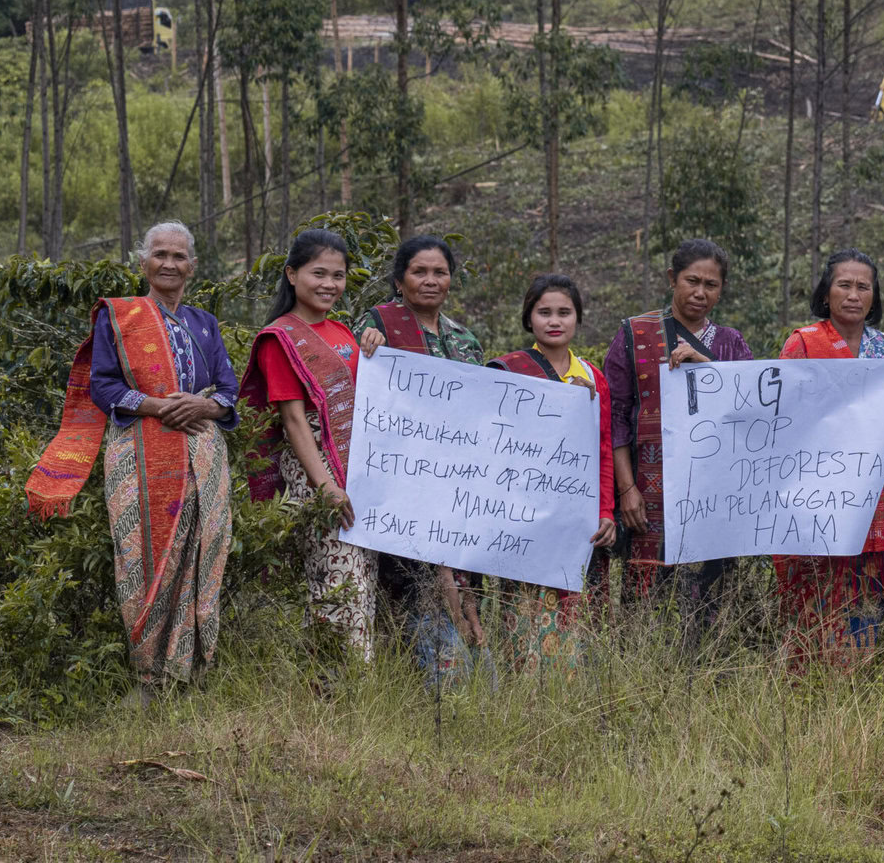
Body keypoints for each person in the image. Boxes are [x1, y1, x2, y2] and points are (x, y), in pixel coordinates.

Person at [26, 221, 240, 695]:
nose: (169, 263)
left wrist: (203, 405)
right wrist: (160, 406)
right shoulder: (119, 317)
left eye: (179, 256)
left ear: (193, 266)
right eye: (159, 254)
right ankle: (147, 678)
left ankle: (192, 675)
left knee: (203, 552)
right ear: (142, 261)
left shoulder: (205, 323)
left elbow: (229, 390)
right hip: (140, 451)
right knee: (140, 556)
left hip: (203, 453)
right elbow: (102, 385)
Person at [776, 249, 884, 666]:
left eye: (862, 286)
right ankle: (805, 682)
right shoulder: (802, 344)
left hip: (875, 492)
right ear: (826, 293)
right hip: (814, 489)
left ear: (874, 295)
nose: (853, 294)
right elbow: (783, 417)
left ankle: (852, 682)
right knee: (813, 585)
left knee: (866, 591)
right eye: (843, 285)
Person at [240, 228, 386, 662]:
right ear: (291, 275)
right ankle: (330, 686)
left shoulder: (342, 331)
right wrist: (324, 485)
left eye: (338, 276)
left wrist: (374, 347)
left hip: (359, 468)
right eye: (318, 273)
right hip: (315, 471)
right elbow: (293, 420)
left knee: (362, 577)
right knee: (335, 579)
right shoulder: (280, 337)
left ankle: (354, 685)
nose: (329, 284)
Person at [354, 235, 487, 690]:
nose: (431, 280)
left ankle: (468, 669)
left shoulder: (465, 340)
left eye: (440, 272)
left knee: (463, 580)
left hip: (457, 483)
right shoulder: (379, 326)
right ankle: (434, 682)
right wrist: (366, 345)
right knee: (416, 581)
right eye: (419, 272)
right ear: (399, 280)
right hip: (402, 484)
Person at [602, 239, 753, 613]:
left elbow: (751, 411)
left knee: (710, 605)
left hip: (715, 494)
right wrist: (627, 489)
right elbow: (615, 418)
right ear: (672, 278)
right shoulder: (635, 335)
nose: (700, 292)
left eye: (711, 285)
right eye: (692, 281)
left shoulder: (732, 344)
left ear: (722, 289)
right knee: (647, 607)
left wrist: (708, 367)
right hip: (650, 494)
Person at [489, 273, 619, 672]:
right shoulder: (509, 370)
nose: (554, 320)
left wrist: (607, 512)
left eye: (564, 312)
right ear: (529, 319)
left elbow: (603, 450)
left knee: (580, 612)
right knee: (527, 612)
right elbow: (493, 443)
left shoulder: (594, 378)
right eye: (544, 312)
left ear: (578, 318)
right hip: (525, 516)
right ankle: (528, 698)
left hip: (578, 521)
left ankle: (577, 700)